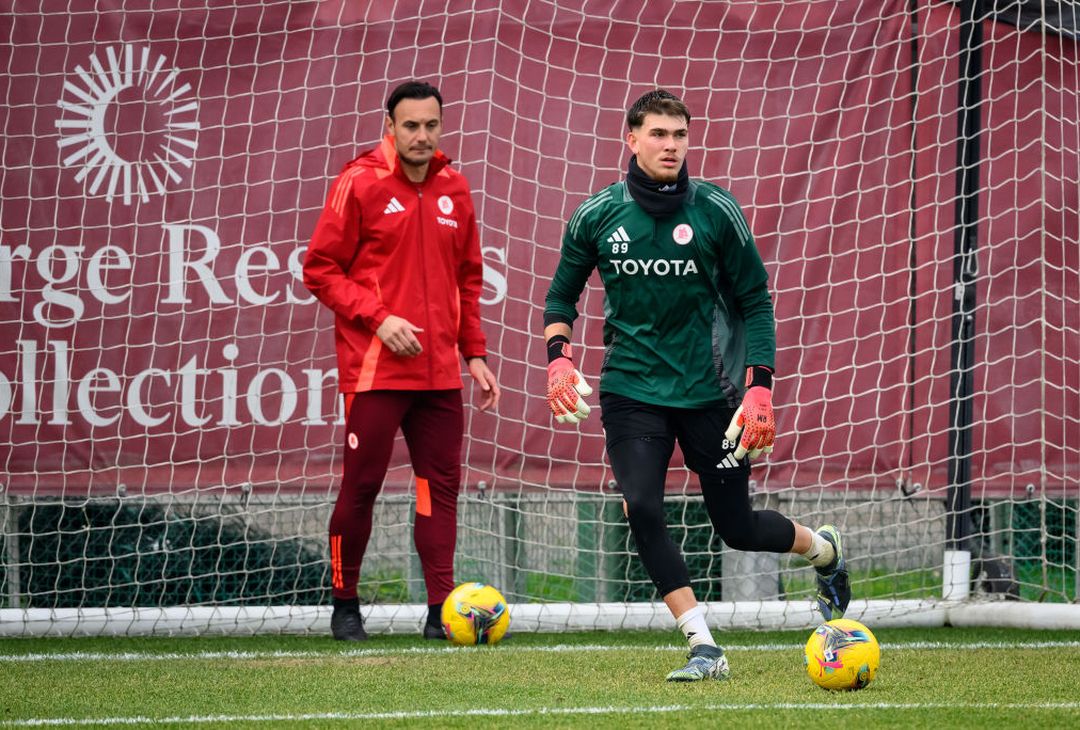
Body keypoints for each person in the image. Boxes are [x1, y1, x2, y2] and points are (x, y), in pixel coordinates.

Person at [542, 90, 849, 681]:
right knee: (643, 508)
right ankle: (703, 644)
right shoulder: (597, 215)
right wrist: (558, 358)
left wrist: (760, 388)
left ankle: (823, 549)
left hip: (712, 394)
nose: (671, 146)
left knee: (736, 527)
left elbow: (756, 303)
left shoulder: (716, 211)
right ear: (631, 140)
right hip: (631, 391)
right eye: (658, 134)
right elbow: (561, 297)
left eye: (679, 135)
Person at [304, 80, 500, 641]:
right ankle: (345, 604)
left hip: (439, 374)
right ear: (389, 126)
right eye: (410, 125)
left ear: (441, 126)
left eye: (430, 125)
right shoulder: (359, 181)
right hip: (376, 370)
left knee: (438, 490)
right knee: (361, 486)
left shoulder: (454, 188)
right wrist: (379, 317)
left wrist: (475, 354)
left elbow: (467, 279)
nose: (421, 135)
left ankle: (441, 612)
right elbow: (319, 268)